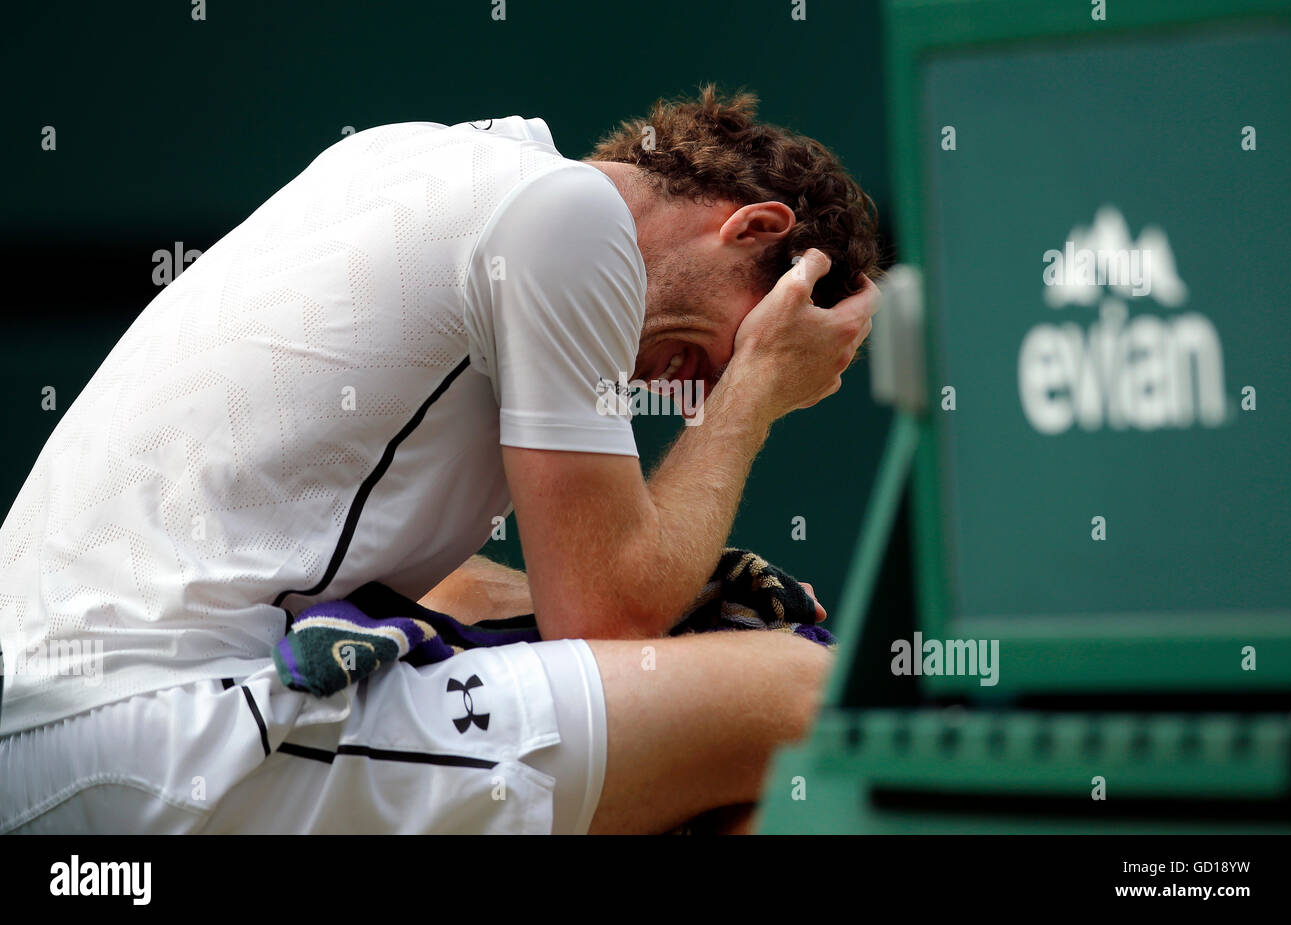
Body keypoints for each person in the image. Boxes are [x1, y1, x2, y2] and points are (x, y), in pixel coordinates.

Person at [0, 85, 881, 834]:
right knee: (806, 694)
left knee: (679, 704)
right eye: (733, 347)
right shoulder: (571, 221)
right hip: (168, 741)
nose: (693, 394)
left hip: (44, 748)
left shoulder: (406, 161)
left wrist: (677, 616)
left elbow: (449, 581)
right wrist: (755, 390)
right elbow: (611, 619)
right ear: (755, 228)